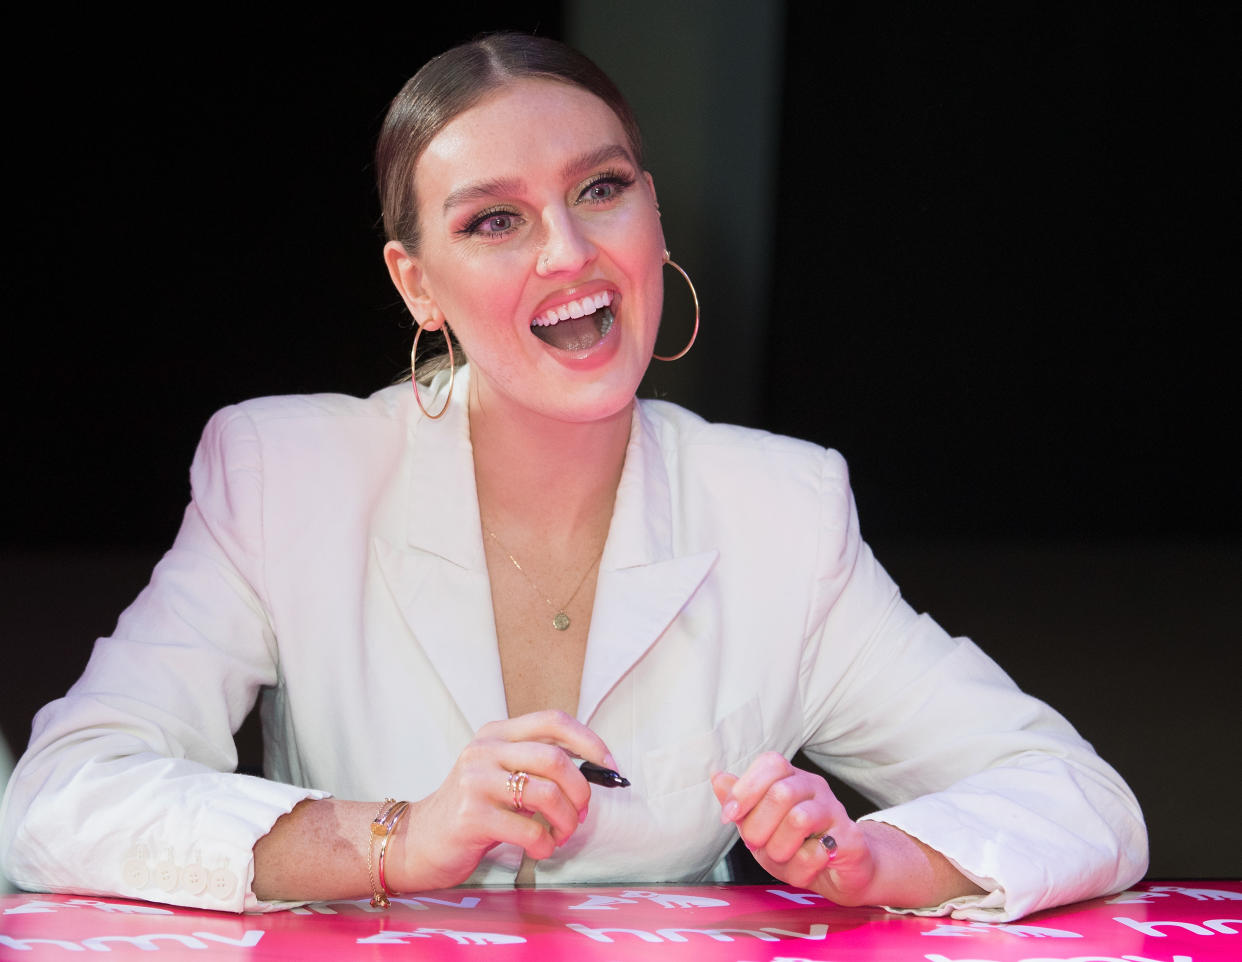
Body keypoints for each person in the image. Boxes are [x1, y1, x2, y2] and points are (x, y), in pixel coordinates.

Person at [0, 33, 1146, 921]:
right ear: (419, 286)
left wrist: (875, 858)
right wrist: (395, 836)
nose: (567, 252)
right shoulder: (286, 472)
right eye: (495, 219)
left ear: (653, 213)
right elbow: (58, 799)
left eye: (600, 189)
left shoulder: (780, 510)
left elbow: (1080, 801)